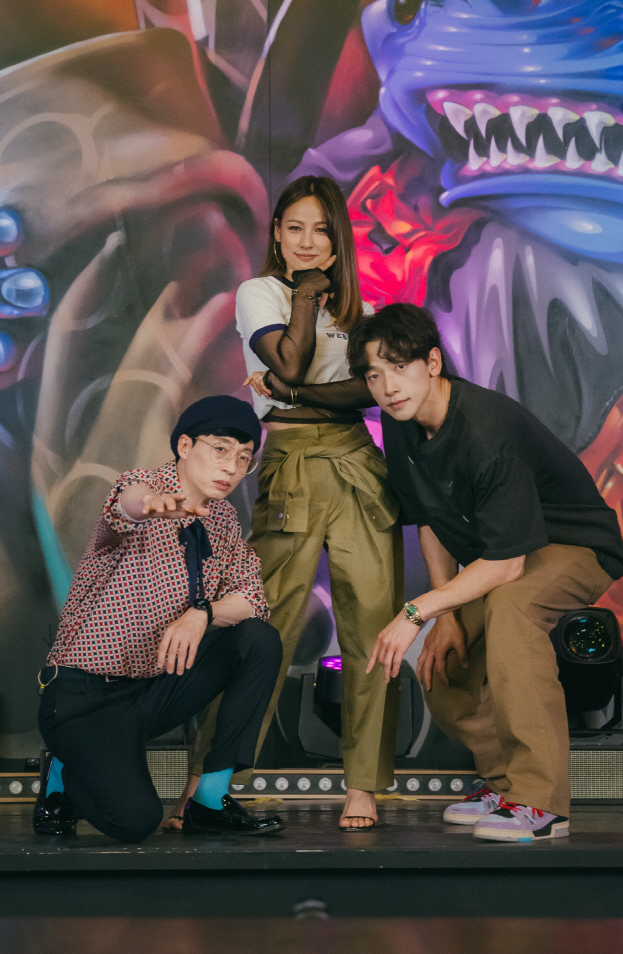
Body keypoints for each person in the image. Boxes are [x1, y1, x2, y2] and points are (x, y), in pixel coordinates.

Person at [165, 175, 403, 832]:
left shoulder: (362, 311)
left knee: (370, 630)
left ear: (339, 239)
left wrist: (294, 391)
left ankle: (364, 784)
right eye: (294, 228)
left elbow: (367, 393)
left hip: (358, 463)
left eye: (321, 230)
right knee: (259, 629)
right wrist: (303, 298)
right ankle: (205, 782)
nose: (307, 241)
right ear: (275, 232)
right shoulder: (260, 293)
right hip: (291, 462)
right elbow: (290, 365)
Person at [347, 302, 623, 842]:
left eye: (398, 367)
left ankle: (541, 804)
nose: (387, 386)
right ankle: (504, 786)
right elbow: (428, 518)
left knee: (512, 607)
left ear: (432, 362)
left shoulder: (485, 428)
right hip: (501, 558)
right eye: (374, 374)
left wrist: (416, 611)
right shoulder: (402, 424)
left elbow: (508, 565)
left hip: (575, 546)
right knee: (445, 667)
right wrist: (445, 613)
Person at [34, 395, 285, 842]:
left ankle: (209, 799)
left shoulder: (223, 519)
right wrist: (151, 505)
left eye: (244, 458)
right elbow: (126, 505)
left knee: (258, 639)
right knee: (135, 822)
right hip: (85, 696)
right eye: (221, 449)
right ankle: (64, 768)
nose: (231, 467)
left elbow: (252, 599)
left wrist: (202, 614)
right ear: (185, 445)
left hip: (151, 692)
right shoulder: (144, 486)